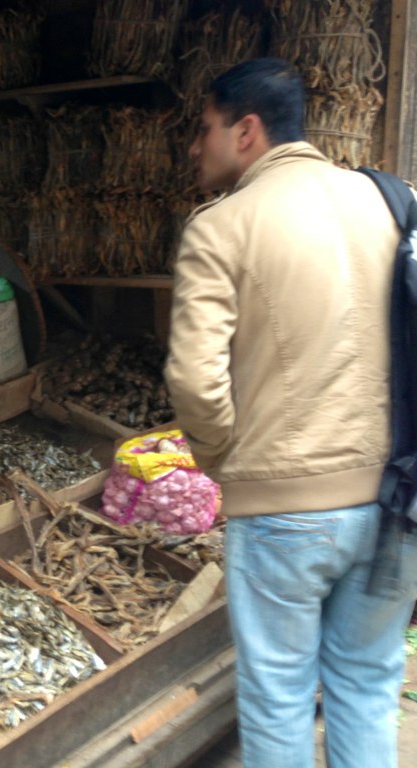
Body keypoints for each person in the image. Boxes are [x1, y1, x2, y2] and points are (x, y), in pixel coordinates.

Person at [164, 58, 417, 767]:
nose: (196, 146)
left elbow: (194, 380)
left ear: (246, 130)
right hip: (398, 499)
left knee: (279, 696)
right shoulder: (396, 201)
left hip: (285, 514)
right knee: (367, 684)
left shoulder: (222, 227)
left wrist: (225, 462)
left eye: (205, 128)